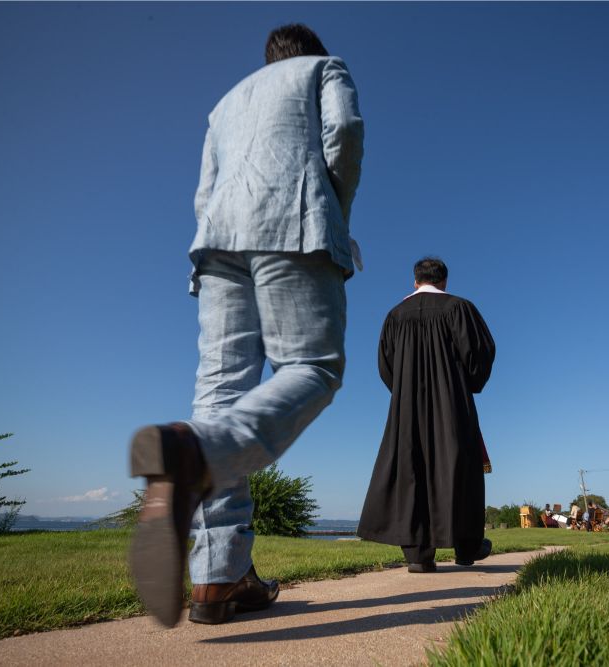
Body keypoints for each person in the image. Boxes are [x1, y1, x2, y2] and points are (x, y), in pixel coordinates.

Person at [128, 24, 364, 627]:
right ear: (310, 52)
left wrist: (212, 241)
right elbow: (344, 133)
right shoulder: (324, 69)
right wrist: (333, 211)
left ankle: (218, 577)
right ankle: (198, 454)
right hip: (294, 218)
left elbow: (203, 189)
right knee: (312, 367)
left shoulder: (225, 103)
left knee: (220, 392)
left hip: (216, 242)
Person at [357, 257, 495, 572]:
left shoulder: (394, 316)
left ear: (415, 280)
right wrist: (470, 382)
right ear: (444, 281)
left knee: (410, 468)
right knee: (458, 463)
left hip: (406, 407)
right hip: (452, 400)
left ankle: (418, 554)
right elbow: (479, 354)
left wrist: (404, 389)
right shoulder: (459, 308)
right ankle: (466, 546)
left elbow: (385, 365)